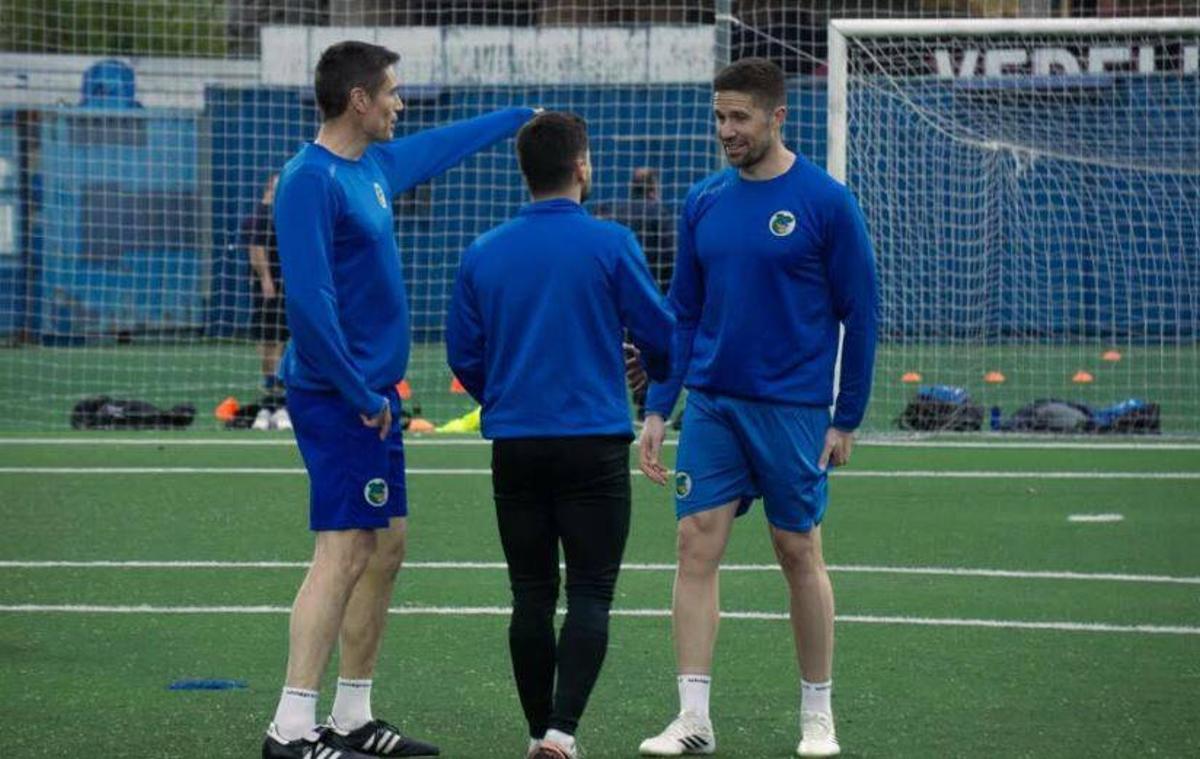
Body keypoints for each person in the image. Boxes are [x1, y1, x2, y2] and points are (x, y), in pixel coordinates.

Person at [262, 40, 536, 759]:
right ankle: (291, 726)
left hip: (372, 395)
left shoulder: (377, 166)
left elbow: (441, 146)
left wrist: (518, 117)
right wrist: (357, 390)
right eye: (391, 93)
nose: (399, 104)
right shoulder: (307, 181)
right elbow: (310, 305)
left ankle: (353, 715)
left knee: (386, 545)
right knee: (345, 548)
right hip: (337, 394)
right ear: (359, 100)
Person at [636, 57, 878, 758]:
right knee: (693, 543)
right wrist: (659, 405)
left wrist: (846, 415)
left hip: (795, 407)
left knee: (797, 548)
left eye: (739, 117)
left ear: (777, 117)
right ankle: (693, 718)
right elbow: (681, 312)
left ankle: (817, 715)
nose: (726, 130)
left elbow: (860, 313)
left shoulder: (826, 202)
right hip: (712, 403)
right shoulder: (704, 200)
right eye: (719, 117)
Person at [446, 112, 674, 759]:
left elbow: (463, 354)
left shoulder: (484, 250)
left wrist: (508, 393)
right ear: (582, 166)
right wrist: (644, 373)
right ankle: (561, 732)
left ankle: (535, 730)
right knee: (592, 592)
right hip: (594, 443)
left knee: (530, 593)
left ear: (526, 171)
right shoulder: (612, 243)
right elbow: (662, 336)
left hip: (515, 444)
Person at [239, 172, 290, 430]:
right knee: (268, 341)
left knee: (281, 341)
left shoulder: (285, 215)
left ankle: (279, 400)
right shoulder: (260, 216)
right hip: (270, 291)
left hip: (287, 289)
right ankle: (271, 400)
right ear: (270, 187)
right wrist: (266, 279)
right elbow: (256, 249)